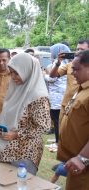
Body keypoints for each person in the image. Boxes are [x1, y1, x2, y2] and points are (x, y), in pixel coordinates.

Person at [0, 53, 51, 175]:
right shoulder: (16, 88)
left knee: (21, 184)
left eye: (17, 73)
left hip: (24, 152)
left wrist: (16, 134)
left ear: (28, 71)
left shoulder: (38, 96)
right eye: (11, 73)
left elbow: (43, 126)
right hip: (7, 147)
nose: (13, 77)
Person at [57, 50, 89, 190]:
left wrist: (83, 157)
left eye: (76, 69)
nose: (72, 72)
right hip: (76, 163)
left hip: (83, 164)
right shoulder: (82, 88)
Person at [49, 39, 89, 123]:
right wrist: (57, 63)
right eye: (77, 49)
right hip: (67, 104)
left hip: (82, 105)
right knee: (62, 129)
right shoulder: (70, 64)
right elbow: (52, 75)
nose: (78, 52)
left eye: (82, 50)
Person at [44, 43, 70, 145]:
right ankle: (59, 141)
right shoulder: (67, 62)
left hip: (57, 98)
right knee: (60, 121)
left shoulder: (58, 63)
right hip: (62, 96)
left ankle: (59, 142)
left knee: (57, 121)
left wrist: (44, 75)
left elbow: (52, 78)